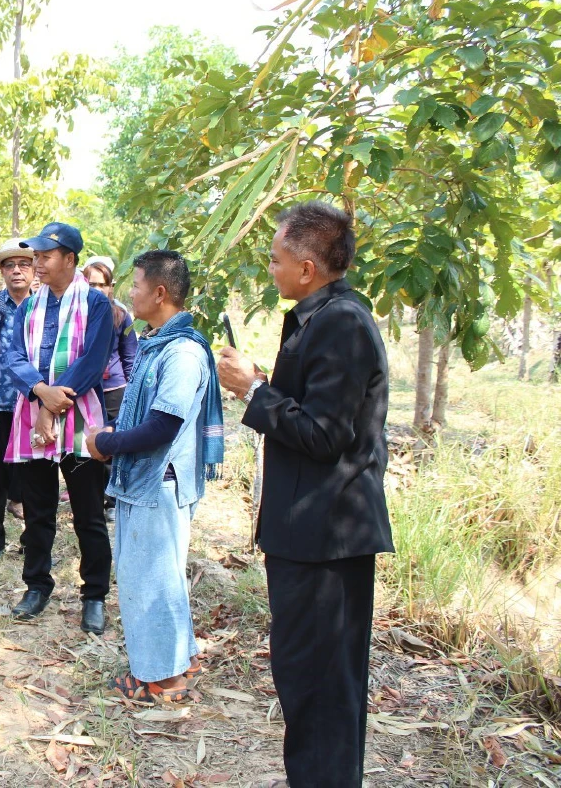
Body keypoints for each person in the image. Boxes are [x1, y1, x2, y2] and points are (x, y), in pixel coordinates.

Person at [217, 201, 392, 787]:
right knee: (305, 678)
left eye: (276, 260)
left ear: (308, 267)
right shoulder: (320, 318)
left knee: (322, 686)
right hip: (307, 533)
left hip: (327, 537)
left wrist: (253, 391)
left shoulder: (342, 323)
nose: (271, 269)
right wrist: (262, 384)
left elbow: (324, 434)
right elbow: (316, 406)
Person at [83, 250, 224, 703]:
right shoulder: (157, 343)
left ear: (160, 293)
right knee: (158, 576)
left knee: (151, 580)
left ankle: (163, 681)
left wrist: (107, 444)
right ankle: (177, 659)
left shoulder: (181, 353)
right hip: (148, 480)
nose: (130, 293)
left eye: (137, 285)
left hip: (159, 483)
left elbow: (164, 426)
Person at [4, 222, 114, 634]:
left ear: (70, 259)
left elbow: (93, 360)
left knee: (89, 513)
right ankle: (36, 586)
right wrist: (40, 393)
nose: (37, 263)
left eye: (45, 256)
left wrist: (51, 405)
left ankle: (95, 595)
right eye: (35, 256)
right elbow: (14, 357)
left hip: (82, 422)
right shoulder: (28, 308)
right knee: (38, 511)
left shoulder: (97, 304)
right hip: (32, 416)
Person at [0, 238, 31, 558]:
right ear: (1, 271)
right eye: (10, 265)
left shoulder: (44, 305)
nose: (16, 270)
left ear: (34, 269)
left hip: (32, 404)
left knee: (33, 478)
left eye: (24, 264)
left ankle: (33, 540)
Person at [82, 259, 138, 522]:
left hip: (114, 390)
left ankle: (113, 501)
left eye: (101, 285)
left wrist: (132, 391)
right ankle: (90, 499)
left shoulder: (121, 315)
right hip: (84, 391)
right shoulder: (74, 313)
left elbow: (130, 356)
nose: (96, 289)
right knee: (86, 445)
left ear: (110, 287)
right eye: (90, 284)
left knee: (112, 445)